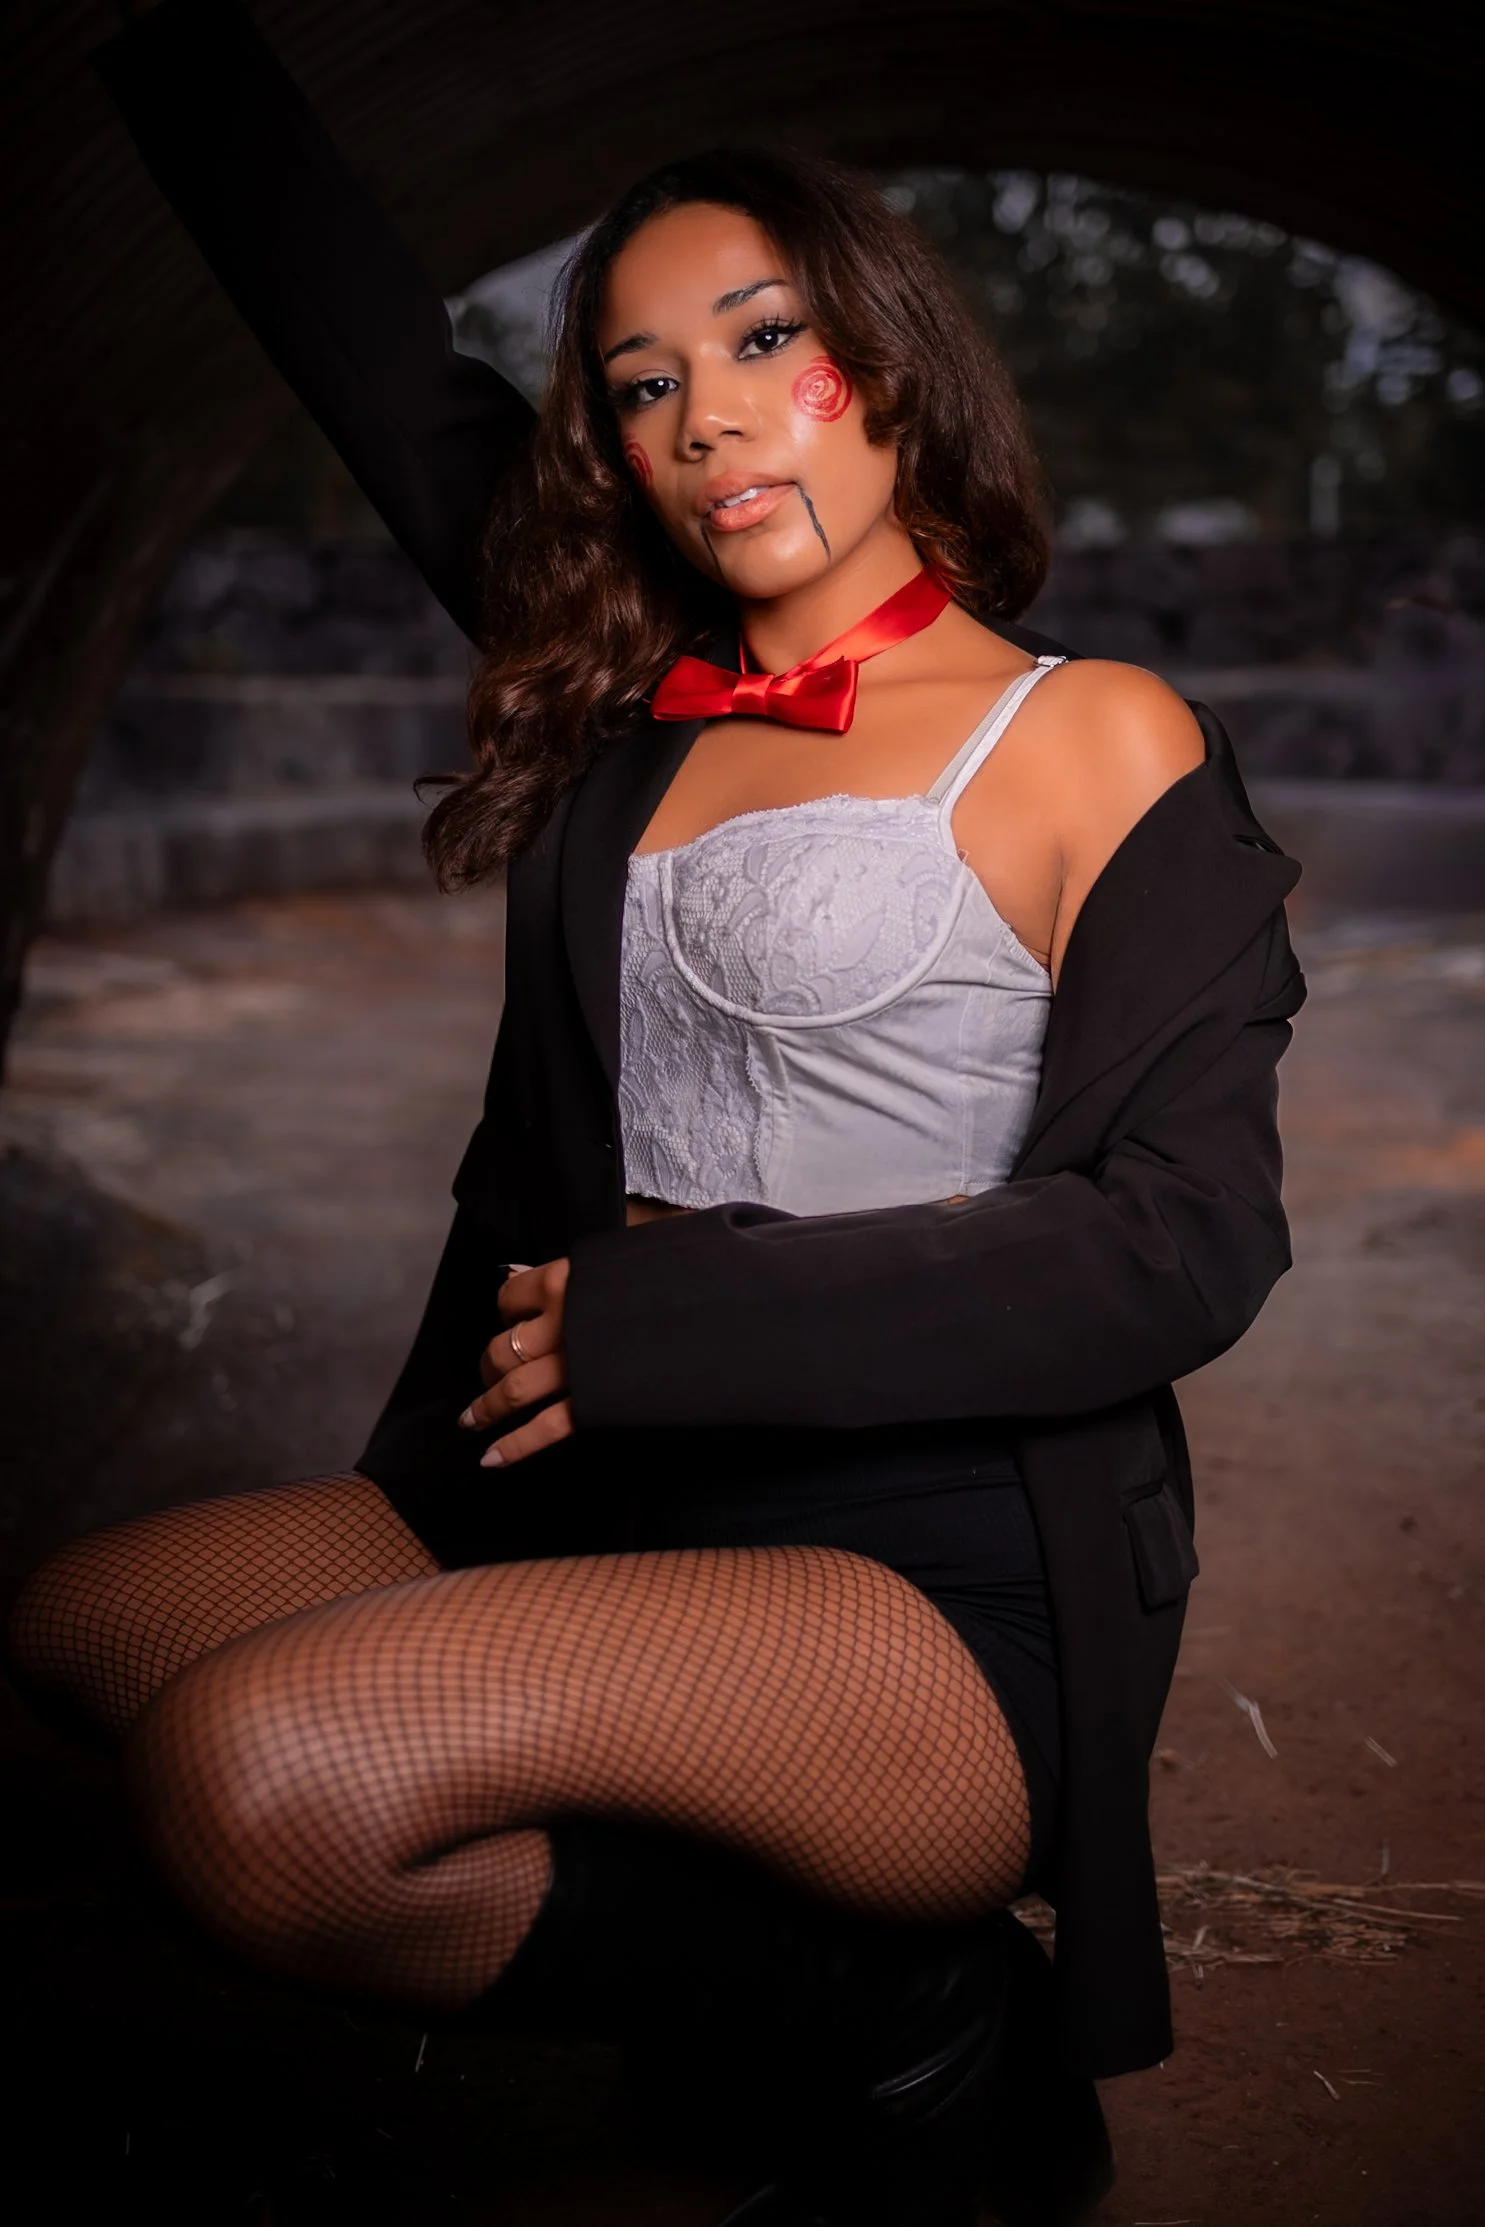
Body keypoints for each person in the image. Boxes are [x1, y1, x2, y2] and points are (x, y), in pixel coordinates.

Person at [7, 5, 1307, 2222]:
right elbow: (384, 370)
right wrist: (160, 45)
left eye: (761, 339)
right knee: (93, 1629)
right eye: (636, 382)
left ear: (883, 362)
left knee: (260, 1780)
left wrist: (664, 1326)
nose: (704, 418)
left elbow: (1184, 1236)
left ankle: (924, 2012)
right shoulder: (630, 703)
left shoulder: (1089, 734)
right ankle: (764, 1964)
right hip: (585, 1498)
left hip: (924, 1570)